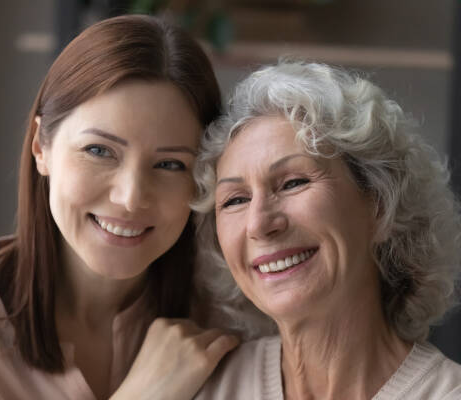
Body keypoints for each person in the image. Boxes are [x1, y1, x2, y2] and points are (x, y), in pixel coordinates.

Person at [0, 14, 239, 400]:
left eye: (170, 164)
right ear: (40, 147)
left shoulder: (229, 315)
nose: (131, 197)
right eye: (99, 151)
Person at [192, 61, 461, 399]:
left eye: (293, 182)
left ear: (380, 205)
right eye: (235, 200)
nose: (259, 223)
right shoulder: (201, 385)